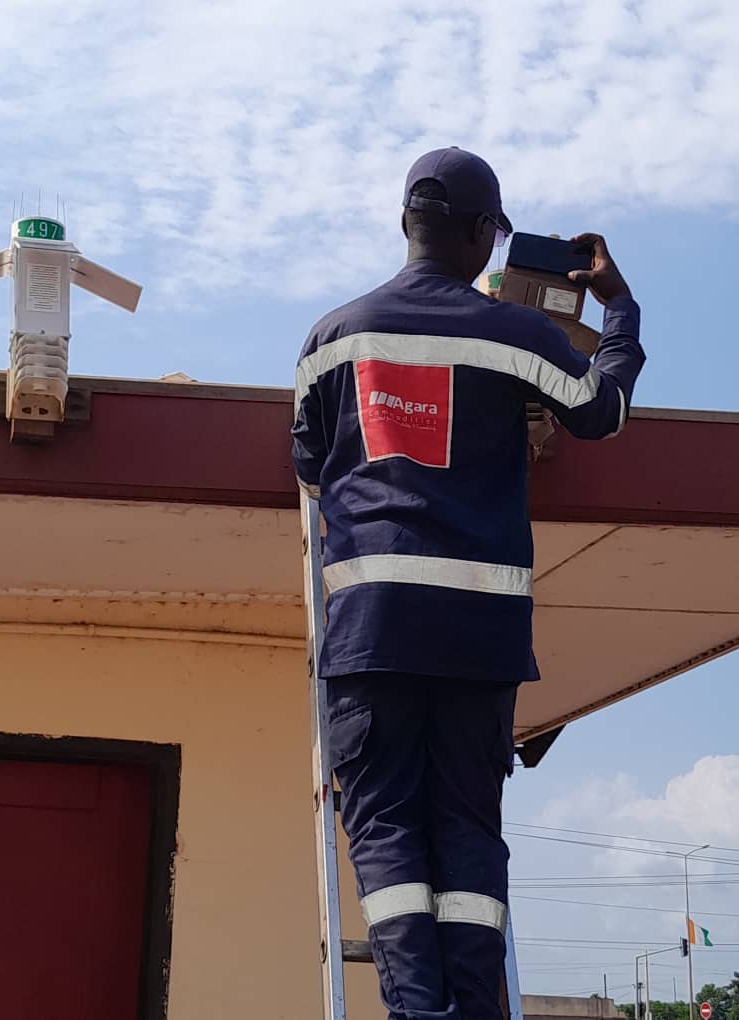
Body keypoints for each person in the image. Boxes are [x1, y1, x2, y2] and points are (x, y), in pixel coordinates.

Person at [292, 147, 645, 1020]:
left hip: (371, 631)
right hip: (477, 635)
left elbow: (306, 464)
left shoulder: (331, 338)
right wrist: (619, 305)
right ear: (487, 238)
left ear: (405, 225)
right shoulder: (514, 334)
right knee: (465, 829)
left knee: (385, 831)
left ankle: (417, 1011)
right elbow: (599, 413)